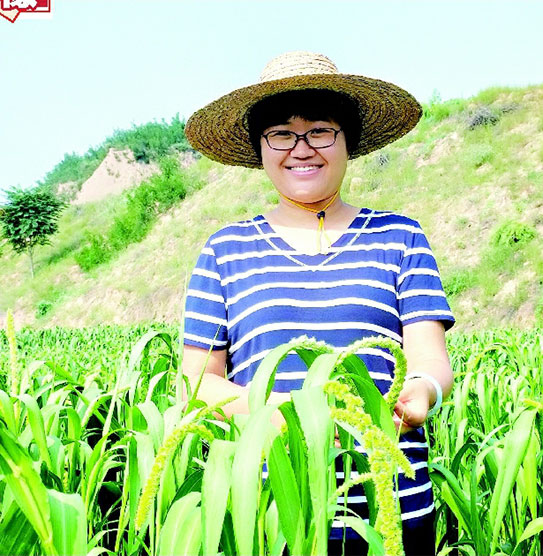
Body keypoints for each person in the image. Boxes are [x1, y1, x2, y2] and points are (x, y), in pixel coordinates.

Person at [182, 51, 455, 556]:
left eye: (320, 131)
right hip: (272, 518)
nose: (301, 149)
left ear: (348, 141)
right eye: (281, 134)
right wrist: (281, 414)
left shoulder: (400, 236)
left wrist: (423, 391)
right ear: (260, 148)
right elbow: (196, 385)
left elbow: (430, 358)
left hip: (394, 513)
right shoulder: (225, 250)